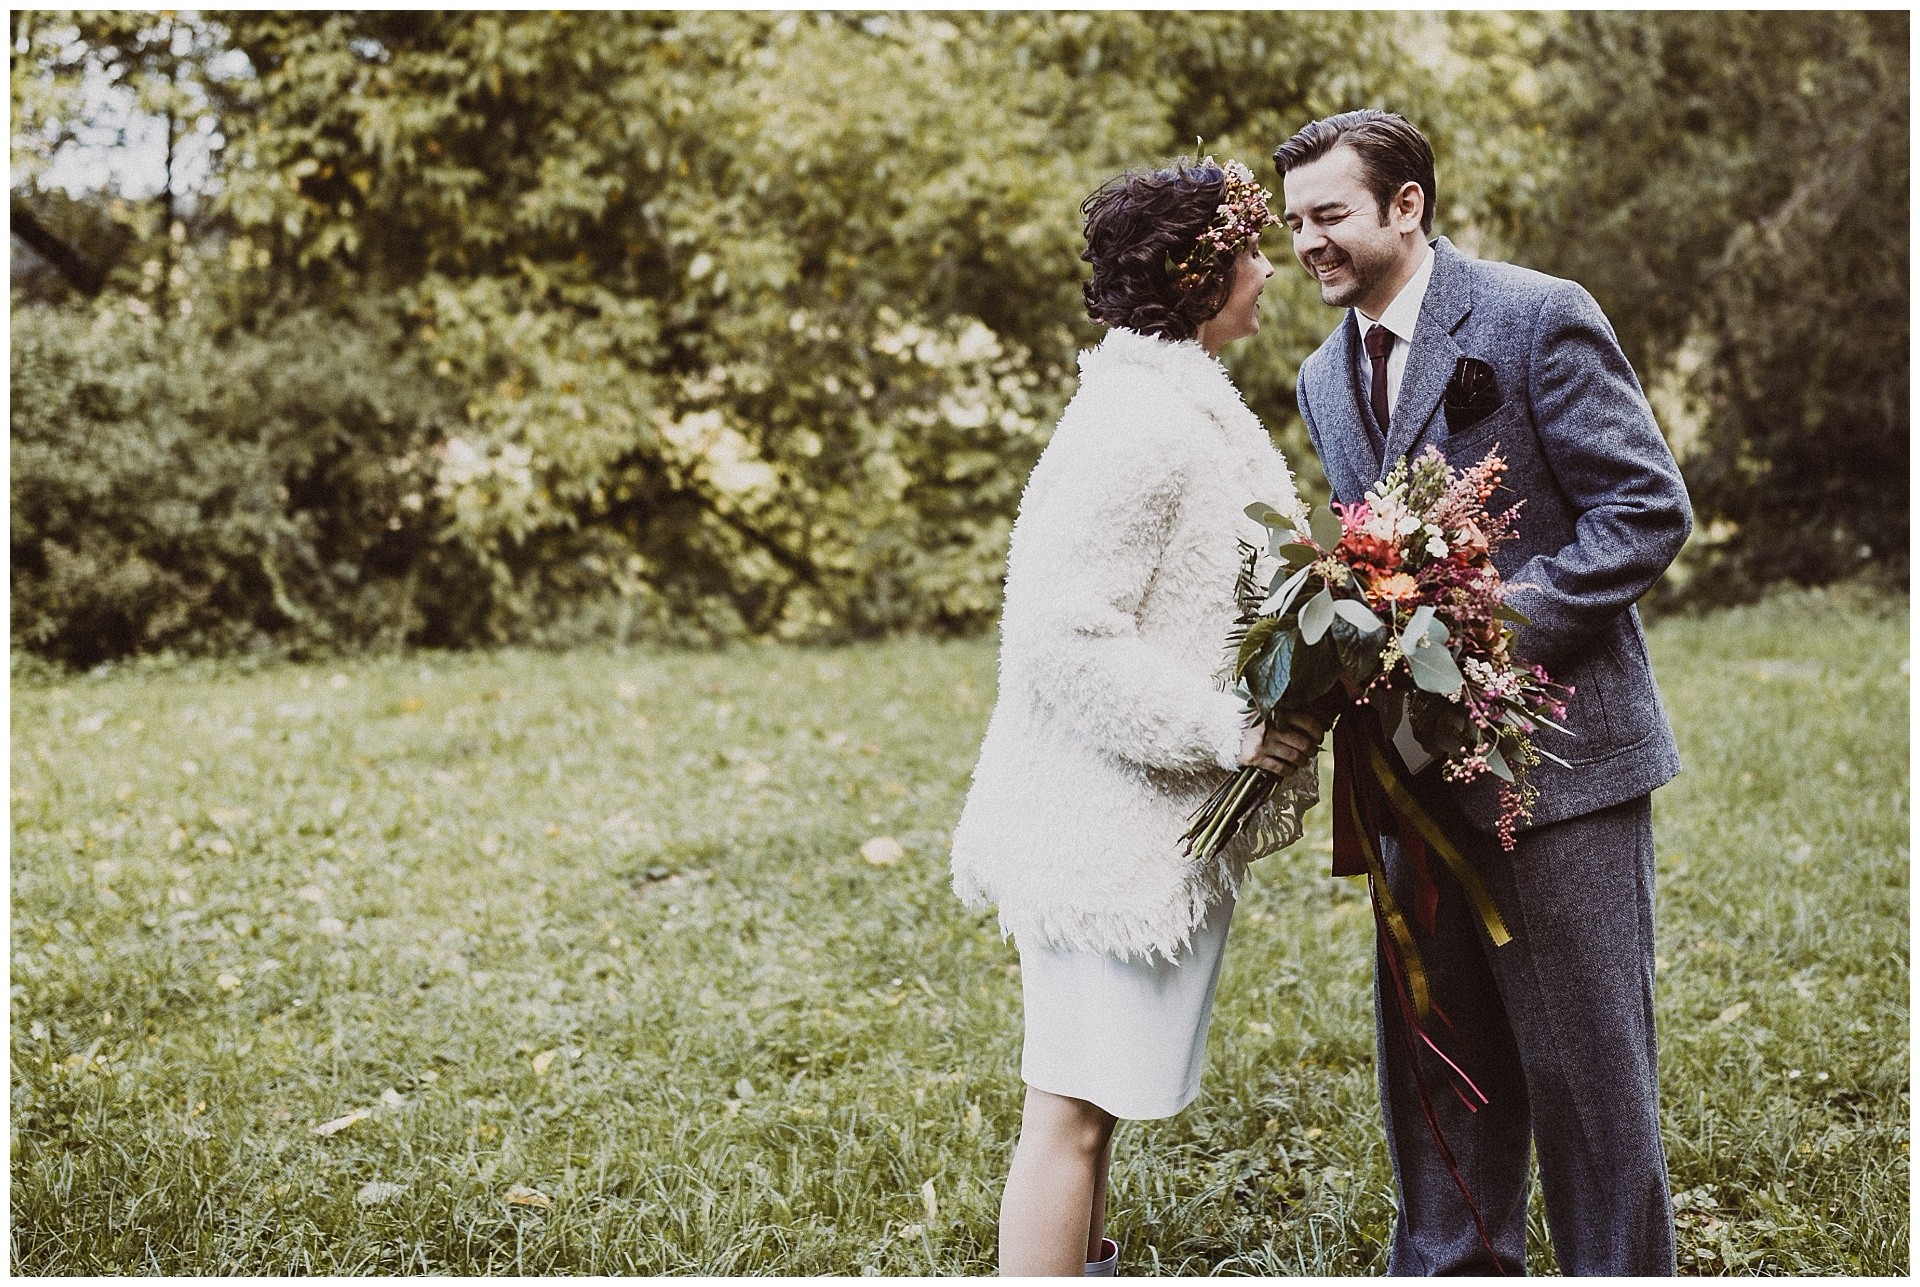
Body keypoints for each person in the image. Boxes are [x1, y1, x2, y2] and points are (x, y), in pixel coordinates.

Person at [1275, 109, 1693, 1275]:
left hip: (1560, 767)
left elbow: (1646, 509)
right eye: (1293, 223)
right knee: (1440, 1077)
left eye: (1330, 215)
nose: (1307, 243)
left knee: (1591, 1085)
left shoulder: (1534, 314)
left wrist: (1480, 631)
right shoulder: (1320, 377)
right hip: (1413, 783)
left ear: (1406, 205)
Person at [948, 158, 1325, 1277]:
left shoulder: (1179, 406)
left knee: (1093, 1106)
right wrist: (1226, 731)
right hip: (1094, 829)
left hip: (1133, 829)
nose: (1270, 269)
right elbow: (1062, 632)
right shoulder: (1138, 424)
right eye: (1250, 250)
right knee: (1068, 1111)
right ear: (1197, 273)